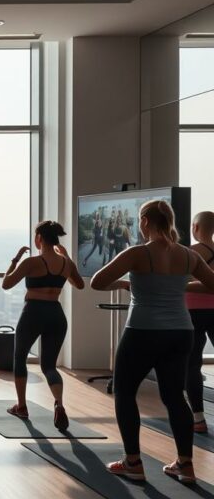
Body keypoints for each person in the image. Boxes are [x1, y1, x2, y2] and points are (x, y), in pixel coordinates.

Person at [91, 200, 214, 483]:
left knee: (124, 391)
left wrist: (124, 283)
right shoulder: (187, 255)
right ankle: (185, 465)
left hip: (143, 330)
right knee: (173, 397)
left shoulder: (137, 253)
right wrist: (179, 285)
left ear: (145, 221)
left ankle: (133, 461)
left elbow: (97, 281)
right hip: (181, 331)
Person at [1, 221, 85, 429]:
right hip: (56, 315)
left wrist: (15, 260)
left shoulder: (32, 262)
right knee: (49, 366)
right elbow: (80, 285)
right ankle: (59, 404)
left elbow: (6, 284)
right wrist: (67, 259)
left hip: (33, 313)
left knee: (19, 357)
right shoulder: (66, 263)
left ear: (39, 238)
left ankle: (21, 406)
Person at [187, 211, 214, 433]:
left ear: (195, 227)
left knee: (192, 366)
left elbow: (177, 282)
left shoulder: (190, 253)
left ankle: (198, 419)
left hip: (192, 312)